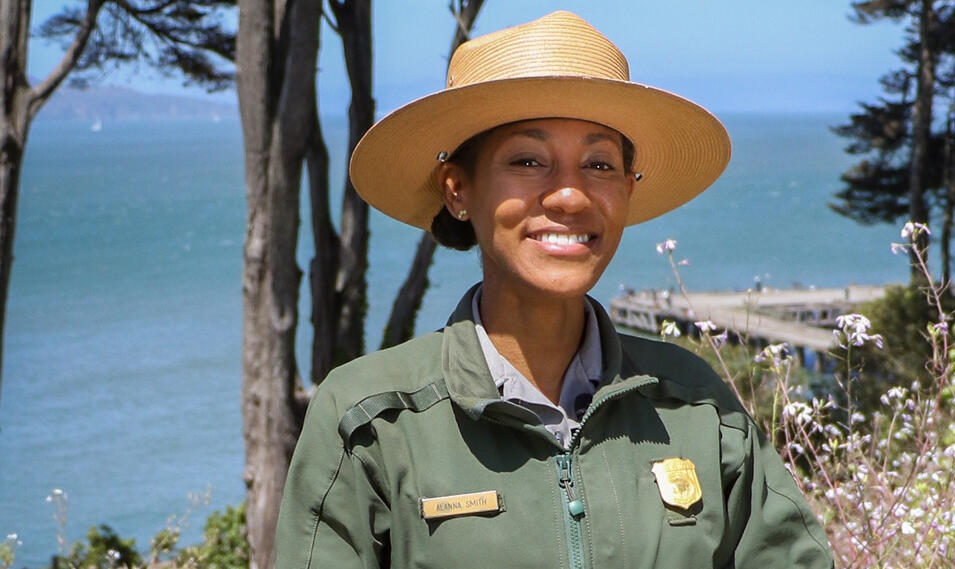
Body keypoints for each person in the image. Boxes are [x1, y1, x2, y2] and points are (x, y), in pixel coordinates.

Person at [275, 11, 833, 569]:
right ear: (458, 190)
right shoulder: (373, 420)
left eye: (599, 163)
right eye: (527, 161)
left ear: (627, 192)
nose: (570, 196)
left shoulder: (696, 405)